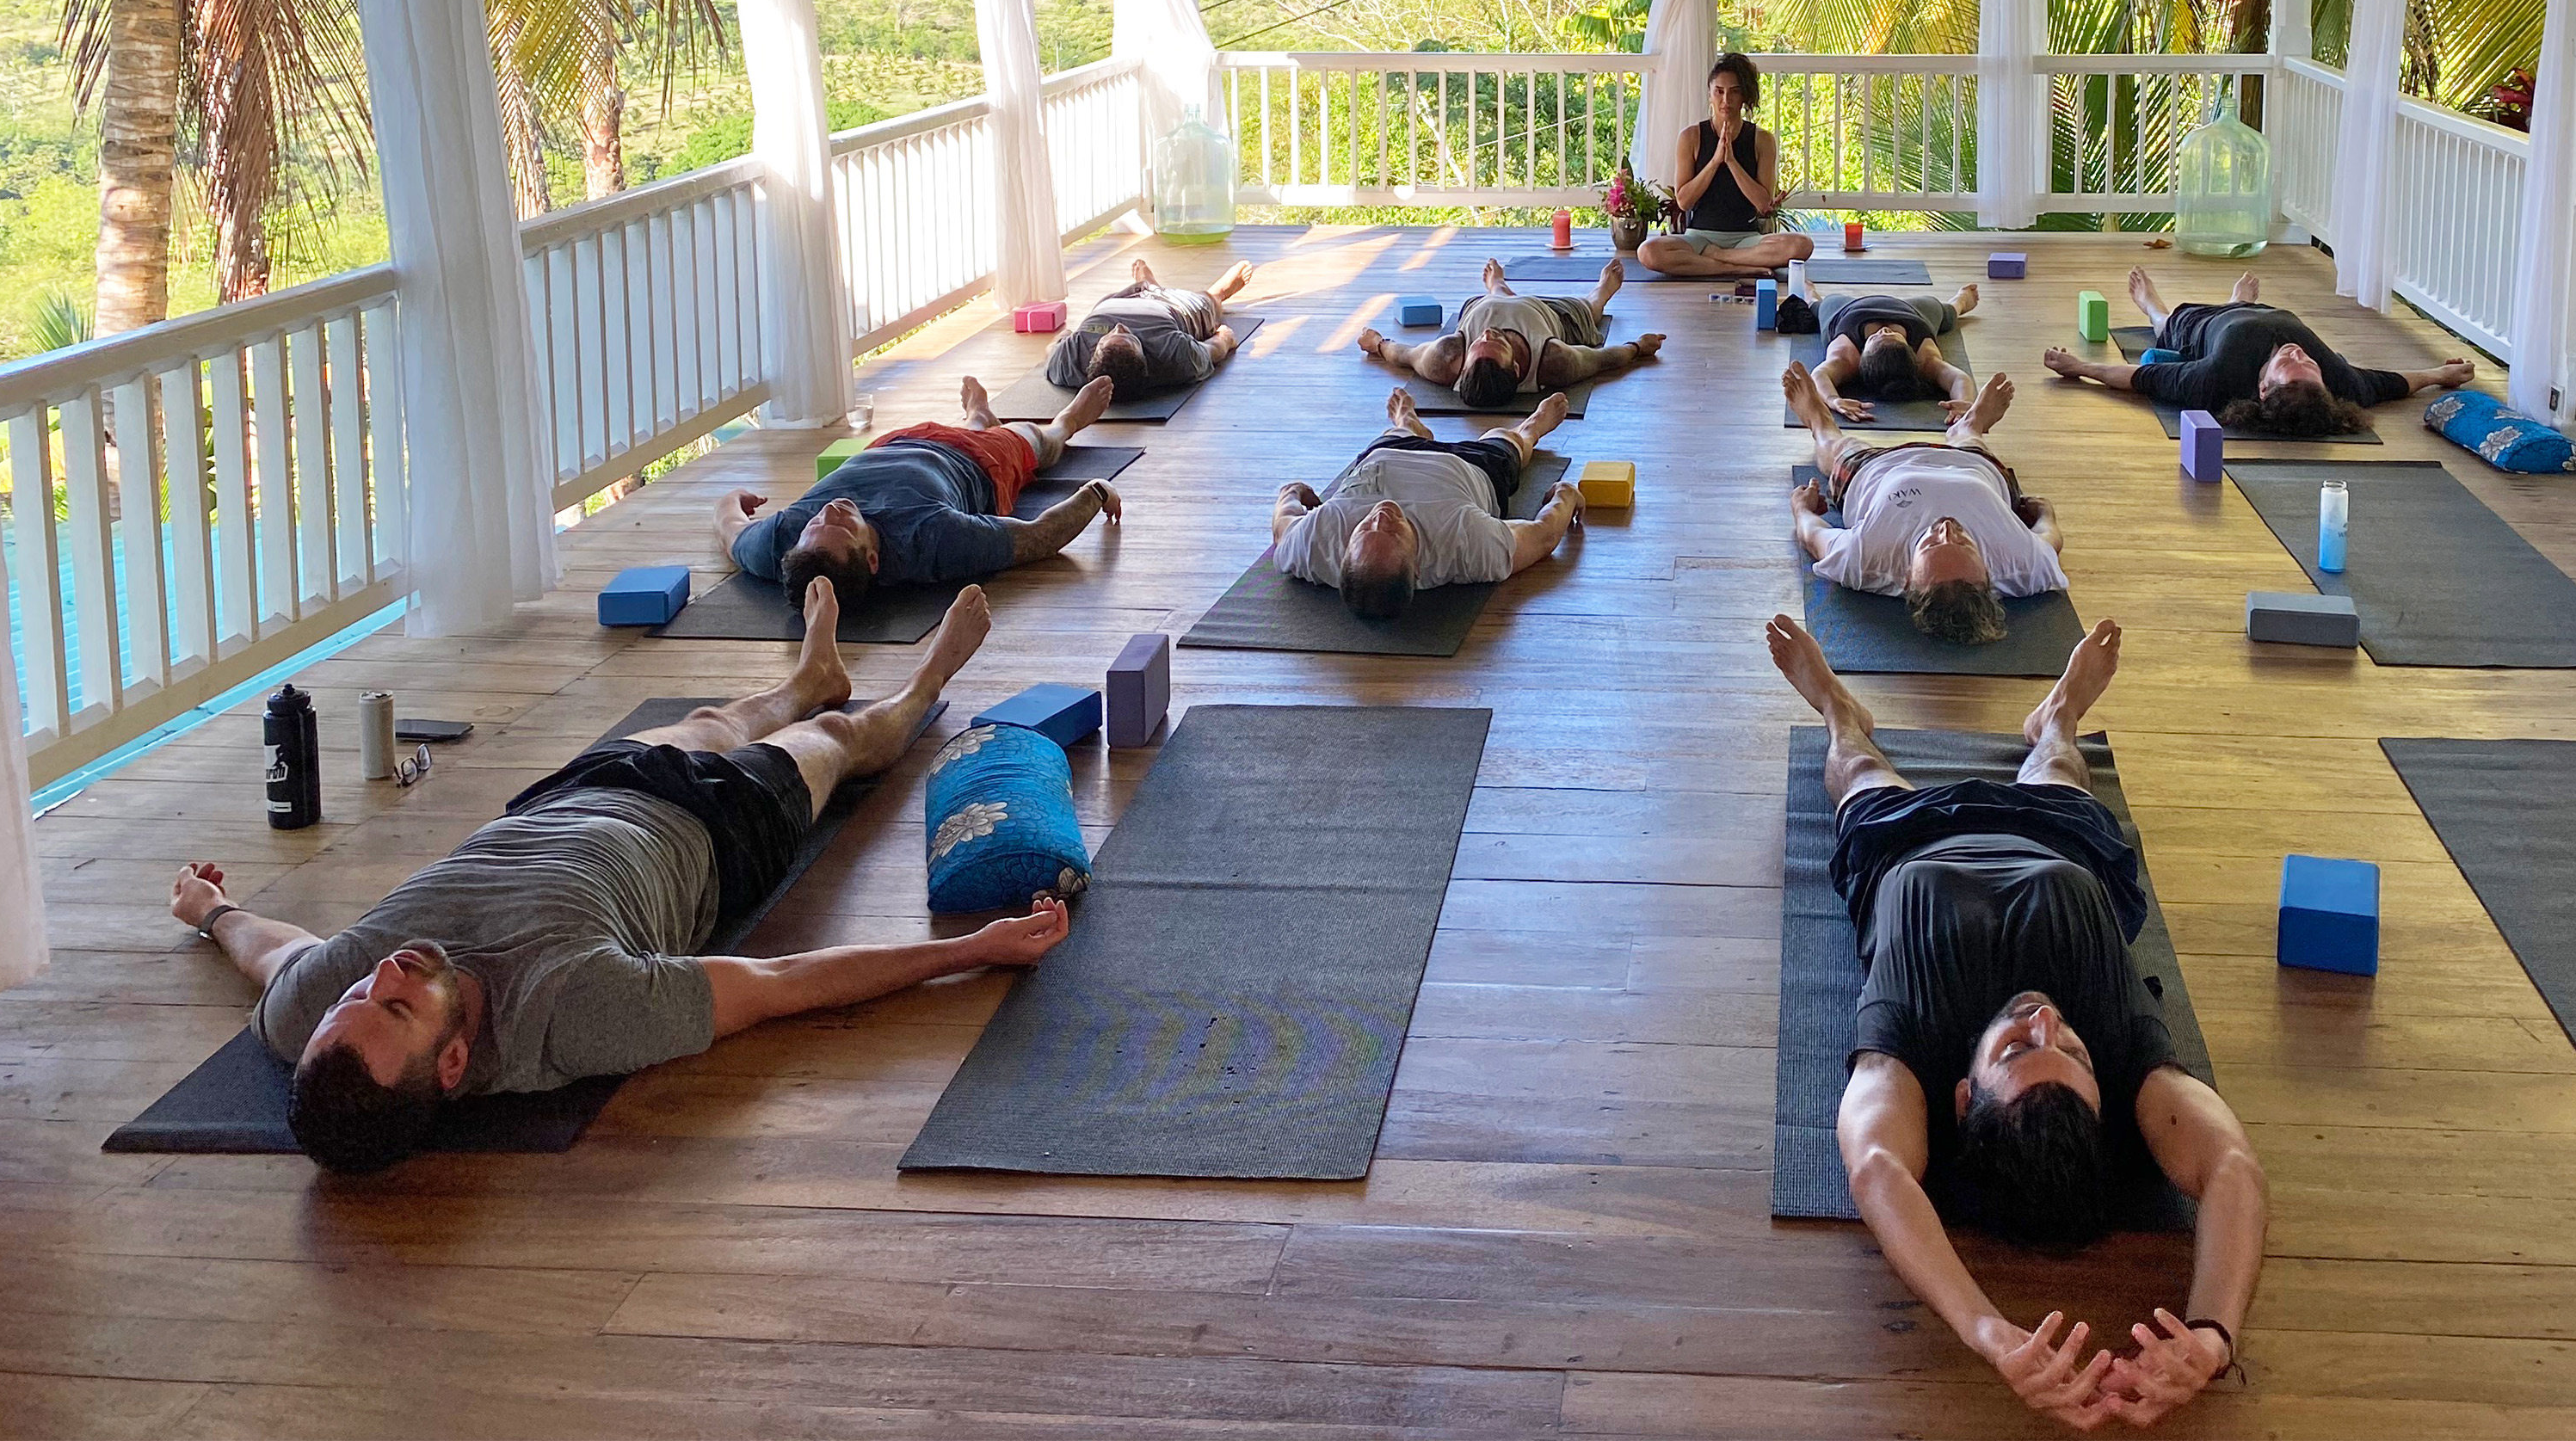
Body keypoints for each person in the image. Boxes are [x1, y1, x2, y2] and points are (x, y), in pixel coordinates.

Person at [171, 582, 1066, 1174]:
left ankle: (809, 675)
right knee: (836, 745)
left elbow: (275, 957)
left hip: (565, 800)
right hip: (716, 832)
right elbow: (782, 983)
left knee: (720, 714)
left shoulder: (315, 1016)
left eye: (357, 993)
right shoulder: (575, 1014)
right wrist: (972, 949)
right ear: (453, 1061)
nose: (385, 971)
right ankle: (923, 683)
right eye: (398, 1004)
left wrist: (214, 910)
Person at [1770, 612, 2266, 1431]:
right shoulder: (2123, 1050)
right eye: (2067, 1046)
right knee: (2060, 764)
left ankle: (1834, 704)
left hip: (1903, 843)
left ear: (1964, 1096)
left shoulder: (1908, 1054)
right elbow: (2232, 1169)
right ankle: (2059, 715)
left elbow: (1878, 1171)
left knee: (1856, 762)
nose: (2043, 1021)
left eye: (2016, 1048)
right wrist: (2211, 1335)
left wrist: (1988, 1329)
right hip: (2059, 838)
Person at [713, 375, 1123, 607]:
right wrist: (1096, 492)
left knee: (976, 424)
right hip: (981, 462)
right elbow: (1040, 537)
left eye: (814, 523)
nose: (829, 511)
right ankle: (1068, 420)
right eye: (840, 525)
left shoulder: (782, 544)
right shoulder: (931, 540)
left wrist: (732, 498)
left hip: (896, 442)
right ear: (873, 559)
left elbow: (731, 531)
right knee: (1037, 440)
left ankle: (978, 415)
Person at [1784, 363, 2061, 646]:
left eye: (1931, 545)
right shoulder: (2019, 565)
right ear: (1989, 574)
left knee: (1833, 448)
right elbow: (2051, 542)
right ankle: (1972, 424)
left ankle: (1818, 420)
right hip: (1974, 466)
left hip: (1873, 469)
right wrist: (2045, 514)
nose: (1945, 528)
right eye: (1964, 543)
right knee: (1969, 439)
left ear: (1905, 578)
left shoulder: (1866, 560)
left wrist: (1801, 509)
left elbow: (1812, 536)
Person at [2043, 268, 2473, 440]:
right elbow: (2394, 383)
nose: (2299, 354)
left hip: (2202, 328)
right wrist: (2439, 374)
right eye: (2309, 366)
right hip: (2261, 312)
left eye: (2291, 365)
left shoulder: (2214, 380)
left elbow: (2138, 378)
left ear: (2264, 389)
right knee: (2249, 313)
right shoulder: (2341, 379)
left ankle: (2153, 306)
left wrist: (2079, 367)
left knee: (2165, 328)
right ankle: (2238, 300)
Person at [1271, 387, 1584, 623]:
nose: (1382, 515)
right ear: (1418, 565)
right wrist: (1565, 496)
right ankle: (1531, 428)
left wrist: (1293, 491)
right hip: (1471, 467)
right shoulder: (1465, 545)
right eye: (1393, 533)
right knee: (1508, 440)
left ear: (1342, 555)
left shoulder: (1315, 544)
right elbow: (1542, 535)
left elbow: (1283, 524)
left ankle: (1407, 421)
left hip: (1389, 454)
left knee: (1398, 431)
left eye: (1364, 529)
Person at [1356, 255, 1664, 408]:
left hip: (1485, 304)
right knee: (1590, 311)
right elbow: (1603, 359)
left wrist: (1377, 343)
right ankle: (1602, 291)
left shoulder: (1445, 358)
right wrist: (1638, 346)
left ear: (1462, 366)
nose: (1488, 334)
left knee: (1498, 296)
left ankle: (1497, 285)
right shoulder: (1555, 361)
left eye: (1480, 343)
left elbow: (1405, 355)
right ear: (1517, 367)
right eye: (1496, 343)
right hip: (1553, 317)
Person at [1637, 51, 1816, 276]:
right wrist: (1715, 161)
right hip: (1699, 239)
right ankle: (1737, 268)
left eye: (1734, 92)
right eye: (1719, 92)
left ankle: (1719, 259)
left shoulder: (1762, 140)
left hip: (1746, 240)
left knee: (1801, 245)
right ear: (1710, 94)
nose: (1725, 100)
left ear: (1744, 96)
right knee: (1648, 252)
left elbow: (1763, 204)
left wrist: (1731, 161)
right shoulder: (1691, 137)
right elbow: (1683, 201)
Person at [1043, 256, 1256, 400]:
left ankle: (1147, 284)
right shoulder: (1174, 358)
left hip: (1120, 297)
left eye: (1108, 337)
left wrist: (1065, 336)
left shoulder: (1068, 363)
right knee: (1207, 304)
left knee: (1141, 290)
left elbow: (1052, 348)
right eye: (1129, 336)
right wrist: (1224, 337)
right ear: (1145, 356)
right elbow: (1213, 351)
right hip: (1175, 305)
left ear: (1093, 355)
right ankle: (1218, 293)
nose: (1119, 326)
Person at [1797, 271, 1986, 422]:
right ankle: (1959, 302)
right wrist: (1965, 402)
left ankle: (1810, 295)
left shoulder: (1847, 356)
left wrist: (1833, 400)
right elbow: (1958, 378)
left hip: (1846, 309)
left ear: (1862, 354)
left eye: (1877, 338)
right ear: (1910, 350)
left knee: (1818, 306)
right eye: (1893, 337)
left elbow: (1819, 375)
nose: (1885, 331)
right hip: (1914, 312)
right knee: (1946, 315)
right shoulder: (1925, 357)